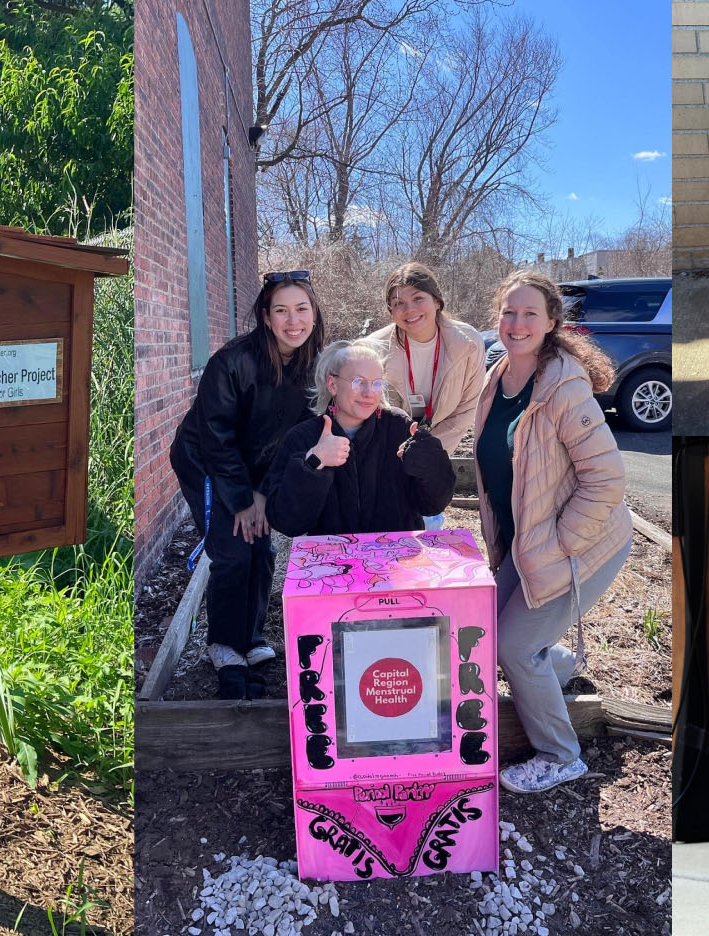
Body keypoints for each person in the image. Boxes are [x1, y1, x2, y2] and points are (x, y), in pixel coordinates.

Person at [474, 270, 632, 794]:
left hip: (581, 543)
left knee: (513, 648)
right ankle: (559, 664)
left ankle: (561, 755)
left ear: (551, 323)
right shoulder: (497, 377)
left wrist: (561, 544)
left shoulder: (564, 385)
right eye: (508, 313)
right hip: (527, 541)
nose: (517, 324)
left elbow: (606, 481)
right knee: (480, 628)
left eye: (529, 315)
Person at [170, 272, 326, 692]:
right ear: (266, 316)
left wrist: (263, 494)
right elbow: (217, 438)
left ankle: (251, 637)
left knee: (262, 548)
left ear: (314, 314)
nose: (293, 321)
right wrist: (241, 500)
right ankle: (223, 644)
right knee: (234, 550)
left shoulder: (316, 365)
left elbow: (296, 440)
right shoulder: (233, 361)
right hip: (206, 463)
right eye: (281, 310)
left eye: (301, 309)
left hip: (258, 471)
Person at [265, 340, 455, 537]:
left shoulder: (399, 428)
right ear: (332, 385)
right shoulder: (303, 438)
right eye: (358, 382)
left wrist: (431, 463)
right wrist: (313, 463)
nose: (369, 393)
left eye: (377, 384)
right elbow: (286, 522)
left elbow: (433, 505)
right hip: (334, 561)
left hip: (396, 558)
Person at [364, 264, 485, 531]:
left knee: (428, 533)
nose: (410, 309)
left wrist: (428, 455)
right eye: (398, 303)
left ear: (437, 301)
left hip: (435, 456)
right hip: (387, 458)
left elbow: (467, 408)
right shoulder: (373, 348)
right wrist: (401, 456)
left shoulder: (469, 343)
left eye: (418, 298)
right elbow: (370, 413)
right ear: (390, 311)